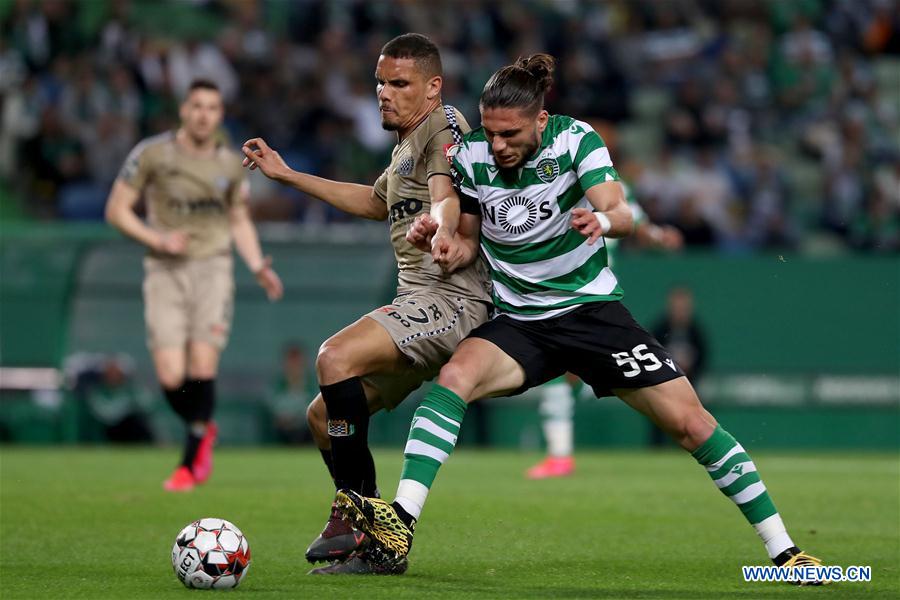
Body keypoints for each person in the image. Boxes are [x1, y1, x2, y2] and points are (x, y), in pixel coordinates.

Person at [335, 54, 827, 583]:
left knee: (692, 425)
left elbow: (623, 209)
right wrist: (445, 242)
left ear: (541, 121)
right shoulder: (471, 153)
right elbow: (468, 237)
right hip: (521, 320)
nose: (499, 144)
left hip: (593, 315)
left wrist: (604, 219)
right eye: (492, 131)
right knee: (453, 379)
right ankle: (400, 524)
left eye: (511, 133)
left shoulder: (576, 140)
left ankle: (786, 554)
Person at [240, 33, 492, 575]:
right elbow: (377, 202)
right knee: (321, 415)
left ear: (433, 86)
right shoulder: (406, 145)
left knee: (333, 356)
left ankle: (358, 514)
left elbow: (448, 194)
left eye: (398, 83)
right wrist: (286, 175)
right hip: (415, 306)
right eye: (379, 82)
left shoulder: (444, 126)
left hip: (452, 299)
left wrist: (444, 227)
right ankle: (377, 535)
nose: (384, 92)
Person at [105, 79, 283, 493]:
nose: (204, 114)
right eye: (197, 105)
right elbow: (116, 210)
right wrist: (157, 239)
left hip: (212, 269)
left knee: (203, 366)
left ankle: (190, 459)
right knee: (170, 376)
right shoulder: (152, 154)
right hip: (165, 269)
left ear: (220, 115)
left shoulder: (228, 164)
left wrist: (257, 264)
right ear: (184, 110)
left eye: (212, 107)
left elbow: (238, 219)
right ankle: (204, 426)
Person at [527, 193, 683, 479]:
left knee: (563, 373)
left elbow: (635, 221)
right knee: (557, 373)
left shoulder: (610, 186)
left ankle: (596, 385)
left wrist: (660, 237)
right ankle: (559, 456)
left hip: (594, 296)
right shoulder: (555, 177)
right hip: (557, 292)